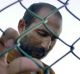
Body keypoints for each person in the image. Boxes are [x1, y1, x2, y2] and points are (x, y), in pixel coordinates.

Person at [0, 2, 62, 74]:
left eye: (54, 39)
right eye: (42, 33)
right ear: (22, 26)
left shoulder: (49, 71)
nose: (46, 46)